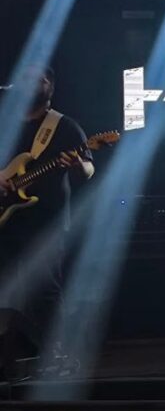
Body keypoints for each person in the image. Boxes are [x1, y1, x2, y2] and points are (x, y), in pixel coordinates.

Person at [0, 65, 94, 365]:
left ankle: (54, 354)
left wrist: (79, 165)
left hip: (46, 221)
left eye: (38, 78)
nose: (30, 82)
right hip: (6, 220)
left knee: (44, 288)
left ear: (50, 87)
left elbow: (88, 169)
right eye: (25, 77)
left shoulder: (64, 127)